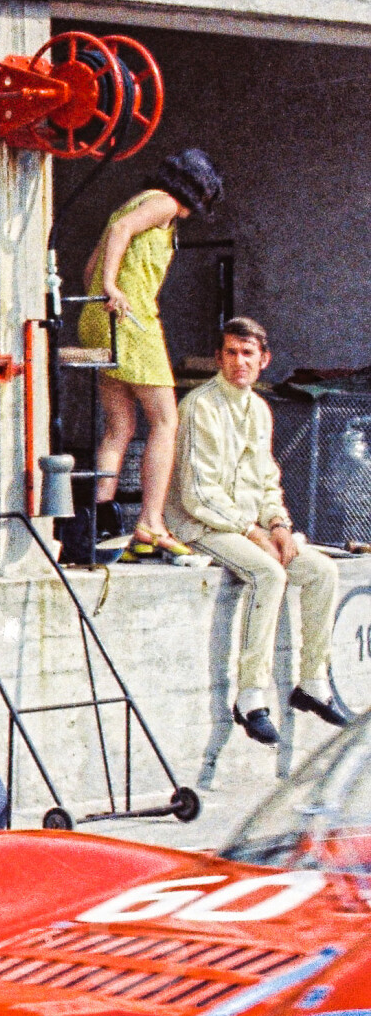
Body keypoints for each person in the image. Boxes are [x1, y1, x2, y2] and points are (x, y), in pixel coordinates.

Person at [166, 317, 350, 746]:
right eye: (231, 353)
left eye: (248, 353)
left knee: (323, 571)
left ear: (263, 360)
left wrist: (279, 524)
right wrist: (252, 532)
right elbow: (197, 494)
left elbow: (267, 480)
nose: (239, 362)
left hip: (250, 527)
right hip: (201, 525)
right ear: (218, 358)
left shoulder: (260, 410)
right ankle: (250, 698)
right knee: (268, 573)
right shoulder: (199, 405)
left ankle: (312, 682)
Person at [77, 147, 223, 562]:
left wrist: (101, 292)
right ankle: (150, 522)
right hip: (132, 321)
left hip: (100, 319)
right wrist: (114, 286)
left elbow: (90, 266)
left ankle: (100, 525)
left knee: (119, 426)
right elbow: (122, 230)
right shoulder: (164, 203)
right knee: (165, 421)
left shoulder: (135, 200)